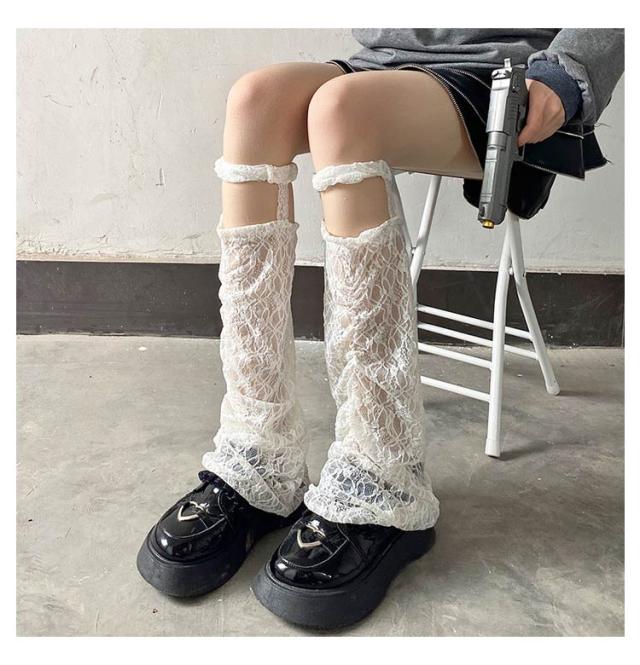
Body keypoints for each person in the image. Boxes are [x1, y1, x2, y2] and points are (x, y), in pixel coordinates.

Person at [136, 28, 624, 629]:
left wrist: (567, 73)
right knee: (255, 99)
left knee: (342, 109)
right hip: (384, 63)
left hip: (504, 76)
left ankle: (382, 474)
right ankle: (258, 453)